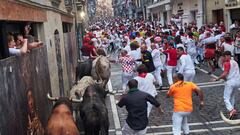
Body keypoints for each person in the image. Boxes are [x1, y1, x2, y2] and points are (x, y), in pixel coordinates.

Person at [212, 51, 240, 118]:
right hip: (238, 81)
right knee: (232, 96)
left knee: (226, 98)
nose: (222, 59)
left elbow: (225, 73)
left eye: (223, 57)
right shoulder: (235, 62)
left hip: (230, 82)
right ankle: (232, 110)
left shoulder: (227, 63)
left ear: (226, 56)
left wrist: (217, 79)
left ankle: (231, 110)